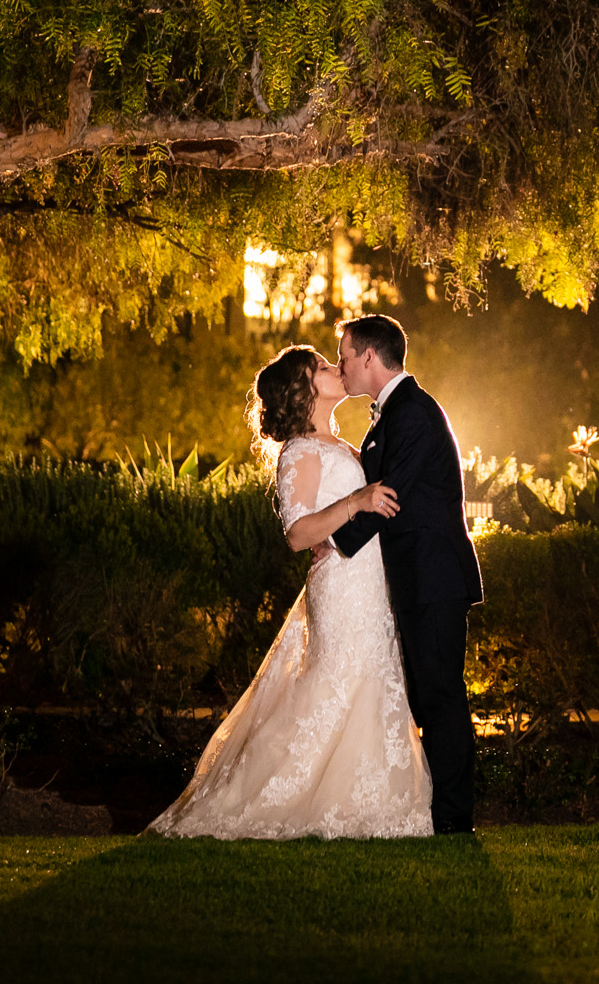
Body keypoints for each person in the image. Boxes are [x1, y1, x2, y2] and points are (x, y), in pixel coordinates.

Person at [145, 345, 432, 839]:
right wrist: (359, 499)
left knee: (373, 680)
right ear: (302, 390)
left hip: (371, 584)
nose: (334, 369)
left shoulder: (345, 445)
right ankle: (284, 799)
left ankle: (375, 803)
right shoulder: (300, 451)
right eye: (322, 367)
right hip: (340, 588)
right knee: (339, 682)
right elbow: (298, 534)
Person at [330, 313, 484, 835]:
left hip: (434, 578)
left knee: (440, 695)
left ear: (370, 357)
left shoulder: (413, 413)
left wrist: (334, 543)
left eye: (346, 355)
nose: (341, 365)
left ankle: (453, 819)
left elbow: (387, 498)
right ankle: (440, 812)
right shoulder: (394, 413)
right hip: (418, 578)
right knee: (427, 695)